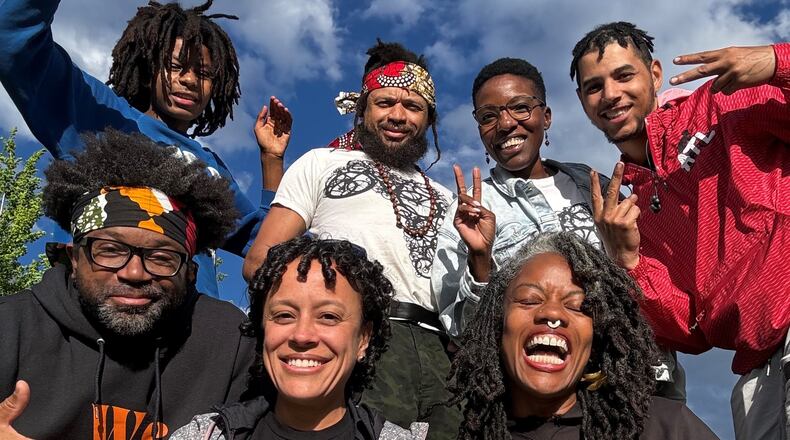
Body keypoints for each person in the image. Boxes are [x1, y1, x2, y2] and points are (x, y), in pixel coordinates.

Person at [569, 21, 790, 439]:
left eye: (624, 75)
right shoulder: (627, 207)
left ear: (654, 74)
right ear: (582, 102)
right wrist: (629, 261)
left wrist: (777, 61)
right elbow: (690, 330)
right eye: (594, 86)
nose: (611, 94)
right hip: (755, 376)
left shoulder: (723, 102)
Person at [431, 57, 684, 400]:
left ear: (545, 117)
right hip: (545, 396)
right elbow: (462, 331)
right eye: (488, 116)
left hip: (637, 381)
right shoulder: (467, 214)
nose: (505, 123)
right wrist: (481, 260)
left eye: (520, 107)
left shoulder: (597, 185)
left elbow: (653, 269)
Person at [0, 0, 291, 297]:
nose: (190, 80)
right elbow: (13, 39)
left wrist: (272, 159)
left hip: (186, 332)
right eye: (176, 66)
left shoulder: (208, 166)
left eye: (204, 74)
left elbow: (267, 247)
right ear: (148, 68)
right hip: (99, 319)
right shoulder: (103, 116)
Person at [243, 41, 460, 438]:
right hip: (361, 344)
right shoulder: (321, 164)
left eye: (413, 107)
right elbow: (260, 261)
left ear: (429, 120)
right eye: (385, 103)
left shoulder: (446, 198)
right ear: (362, 109)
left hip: (439, 356)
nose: (398, 115)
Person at [0, 130, 256, 439]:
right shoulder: (10, 327)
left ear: (190, 272)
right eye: (110, 251)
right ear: (75, 259)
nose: (134, 273)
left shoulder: (230, 342)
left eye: (161, 257)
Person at [446, 232, 716, 439]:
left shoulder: (662, 426)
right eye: (529, 300)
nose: (552, 313)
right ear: (497, 323)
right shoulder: (463, 431)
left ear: (597, 336)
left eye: (577, 306)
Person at [169, 237, 428, 439]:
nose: (302, 335)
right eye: (284, 315)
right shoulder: (204, 435)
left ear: (363, 338)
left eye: (328, 316)